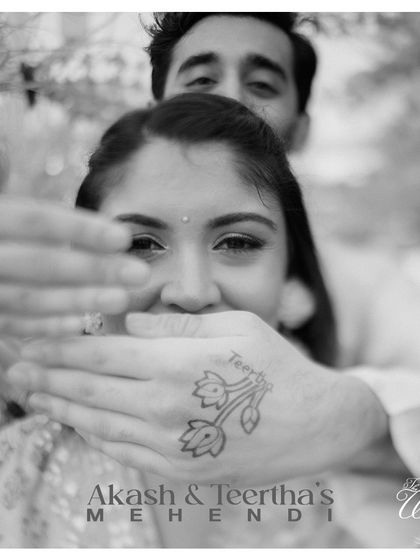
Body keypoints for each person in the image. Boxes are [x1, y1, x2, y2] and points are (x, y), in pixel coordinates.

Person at [1, 12, 420, 547]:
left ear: (294, 282)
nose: (192, 292)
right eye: (141, 244)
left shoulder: (355, 467)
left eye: (239, 243)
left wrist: (362, 425)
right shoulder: (23, 458)